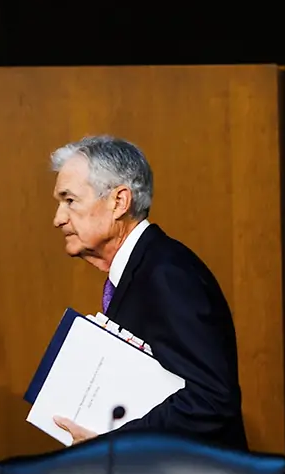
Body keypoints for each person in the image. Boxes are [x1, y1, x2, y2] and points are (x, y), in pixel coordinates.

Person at [48, 135, 248, 451]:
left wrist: (112, 444)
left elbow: (211, 399)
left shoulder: (168, 275)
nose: (58, 219)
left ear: (119, 202)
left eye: (70, 200)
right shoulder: (142, 269)